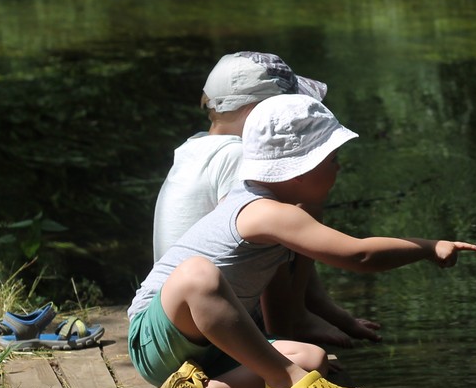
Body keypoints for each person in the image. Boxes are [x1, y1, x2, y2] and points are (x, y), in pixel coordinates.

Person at [127, 93, 476, 388]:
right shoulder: (264, 212)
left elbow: (280, 313)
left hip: (208, 354)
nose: (338, 168)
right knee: (197, 275)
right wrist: (427, 247)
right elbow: (358, 256)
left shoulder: (281, 215)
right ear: (299, 169)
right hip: (154, 339)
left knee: (313, 358)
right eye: (332, 158)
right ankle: (288, 380)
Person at [152, 51, 381, 347]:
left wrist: (334, 313)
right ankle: (288, 328)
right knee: (295, 209)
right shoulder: (238, 157)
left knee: (297, 208)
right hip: (208, 315)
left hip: (186, 306)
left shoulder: (196, 147)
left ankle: (302, 314)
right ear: (255, 111)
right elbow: (264, 238)